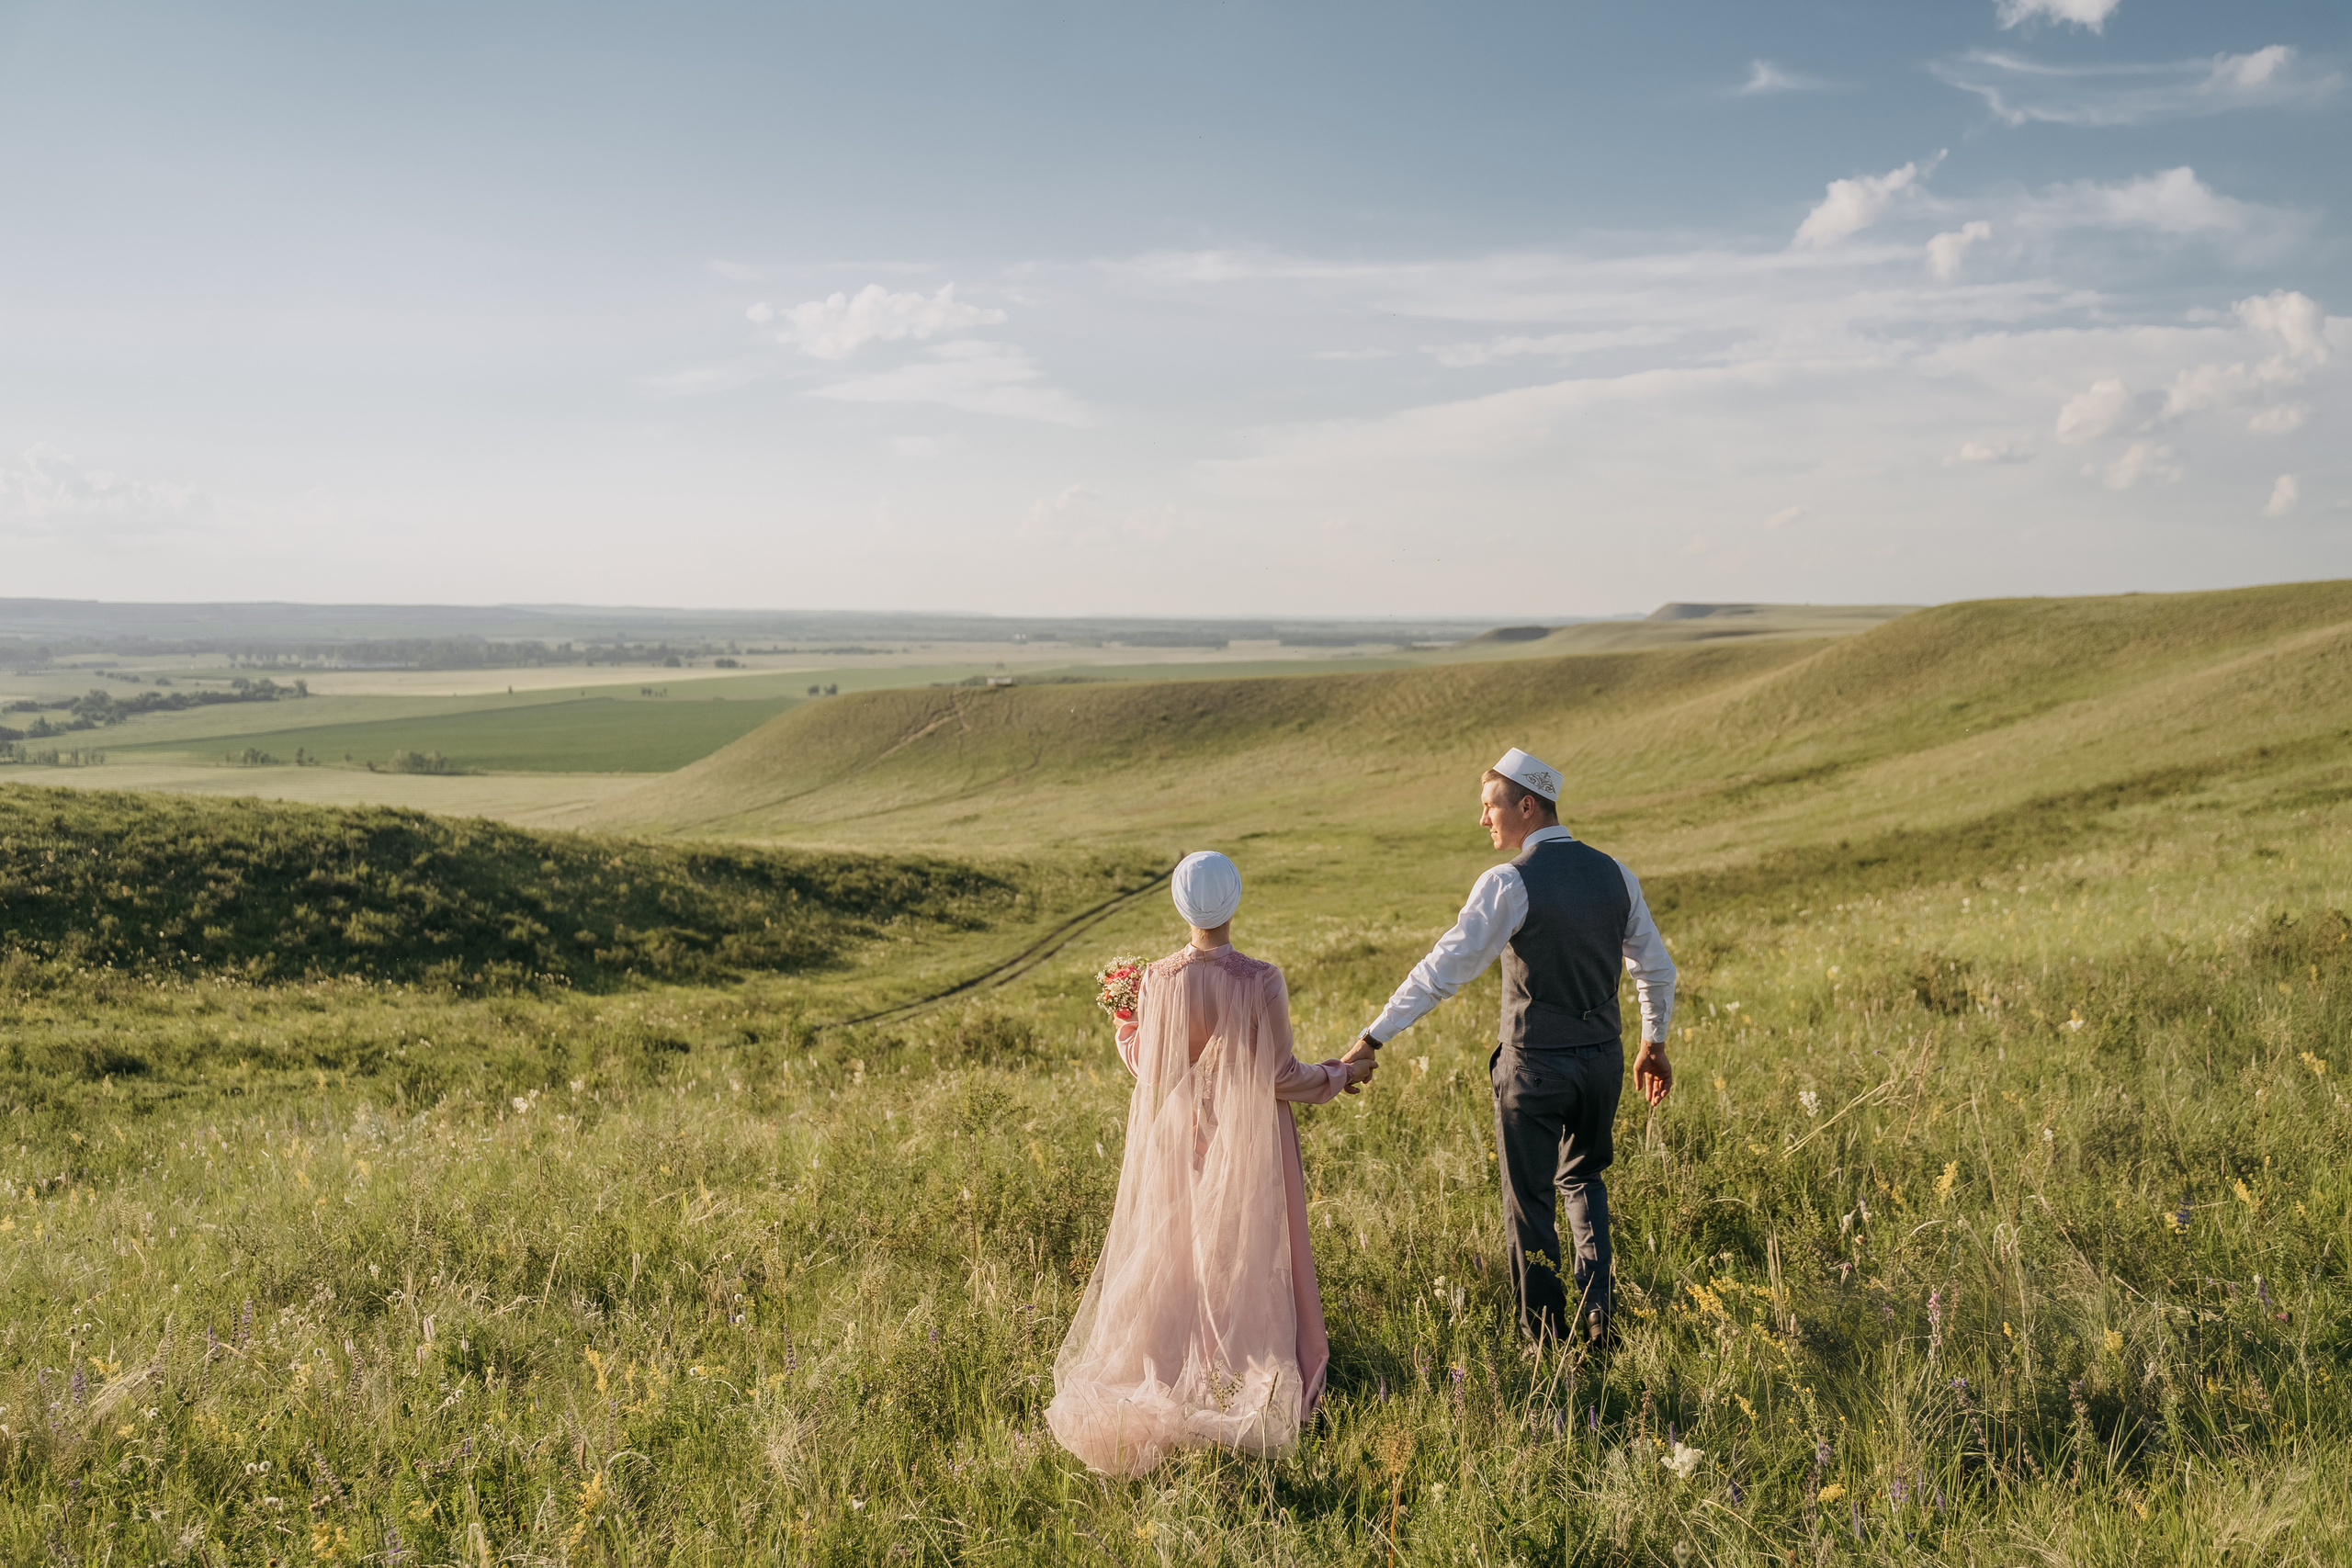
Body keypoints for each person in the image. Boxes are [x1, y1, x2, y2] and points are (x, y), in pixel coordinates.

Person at [1046, 851, 1375, 1475]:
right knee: (1247, 1249)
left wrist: (1124, 1022)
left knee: (1178, 1248)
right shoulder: (1260, 979)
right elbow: (1280, 1076)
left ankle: (1173, 1360)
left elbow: (1150, 1070)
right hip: (1249, 1136)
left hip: (1180, 1134)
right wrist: (1340, 1072)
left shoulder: (1159, 980)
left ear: (1179, 904)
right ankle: (1245, 1360)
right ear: (1235, 901)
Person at [1340, 749, 1675, 1347]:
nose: (1483, 819)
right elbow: (1656, 968)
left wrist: (1373, 1036)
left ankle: (1544, 1340)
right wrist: (1654, 1041)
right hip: (1602, 1061)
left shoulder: (1509, 882)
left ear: (1526, 805)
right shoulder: (1616, 873)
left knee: (1530, 1202)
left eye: (1489, 805)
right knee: (1586, 1181)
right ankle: (1598, 1317)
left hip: (1534, 1067)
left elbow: (1443, 969)